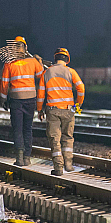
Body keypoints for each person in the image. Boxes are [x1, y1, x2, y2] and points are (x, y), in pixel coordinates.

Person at [37, 48, 85, 176]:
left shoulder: (46, 72)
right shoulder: (71, 71)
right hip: (68, 109)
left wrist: (39, 109)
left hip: (52, 111)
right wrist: (78, 104)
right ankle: (68, 164)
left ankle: (58, 167)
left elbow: (40, 95)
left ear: (55, 58)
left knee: (55, 139)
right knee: (68, 137)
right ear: (67, 60)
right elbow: (81, 88)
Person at [0, 36, 44, 166]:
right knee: (27, 128)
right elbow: (41, 75)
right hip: (30, 99)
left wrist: (3, 98)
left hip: (16, 100)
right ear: (25, 48)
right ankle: (27, 158)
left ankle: (19, 158)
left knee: (17, 129)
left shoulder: (9, 63)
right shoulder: (32, 61)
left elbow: (4, 83)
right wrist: (39, 62)